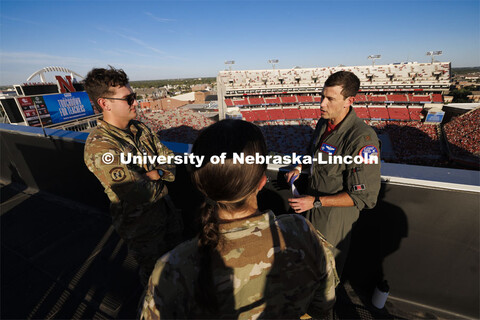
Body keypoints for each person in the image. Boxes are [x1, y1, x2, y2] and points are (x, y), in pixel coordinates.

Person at [140, 119, 338, 319]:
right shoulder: (302, 234)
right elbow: (322, 305)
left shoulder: (172, 267)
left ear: (200, 184)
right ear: (262, 181)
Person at [83, 66, 182, 285]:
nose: (135, 102)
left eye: (134, 97)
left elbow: (170, 158)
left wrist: (153, 174)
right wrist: (158, 174)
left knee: (178, 267)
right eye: (129, 99)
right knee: (155, 279)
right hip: (142, 229)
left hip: (168, 213)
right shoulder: (100, 146)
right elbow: (136, 192)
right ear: (105, 103)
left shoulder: (140, 129)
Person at [286, 71, 381, 277]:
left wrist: (316, 202)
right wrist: (299, 167)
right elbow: (313, 152)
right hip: (311, 209)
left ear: (349, 101)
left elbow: (366, 197)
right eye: (322, 96)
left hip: (333, 222)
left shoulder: (362, 139)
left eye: (330, 99)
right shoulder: (324, 122)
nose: (321, 104)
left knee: (326, 275)